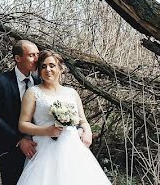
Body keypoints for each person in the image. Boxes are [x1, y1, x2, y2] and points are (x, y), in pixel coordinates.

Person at [16, 50, 112, 185]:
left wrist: (88, 132)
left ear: (61, 68)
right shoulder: (33, 92)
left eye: (52, 65)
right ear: (38, 70)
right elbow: (23, 124)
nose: (48, 70)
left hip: (72, 148)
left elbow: (82, 120)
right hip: (45, 149)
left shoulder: (71, 93)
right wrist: (47, 131)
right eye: (43, 66)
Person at [0, 40, 40, 185]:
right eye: (31, 55)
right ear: (18, 58)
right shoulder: (0, 81)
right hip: (10, 149)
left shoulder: (40, 80)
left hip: (39, 149)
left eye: (37, 54)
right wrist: (19, 140)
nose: (36, 59)